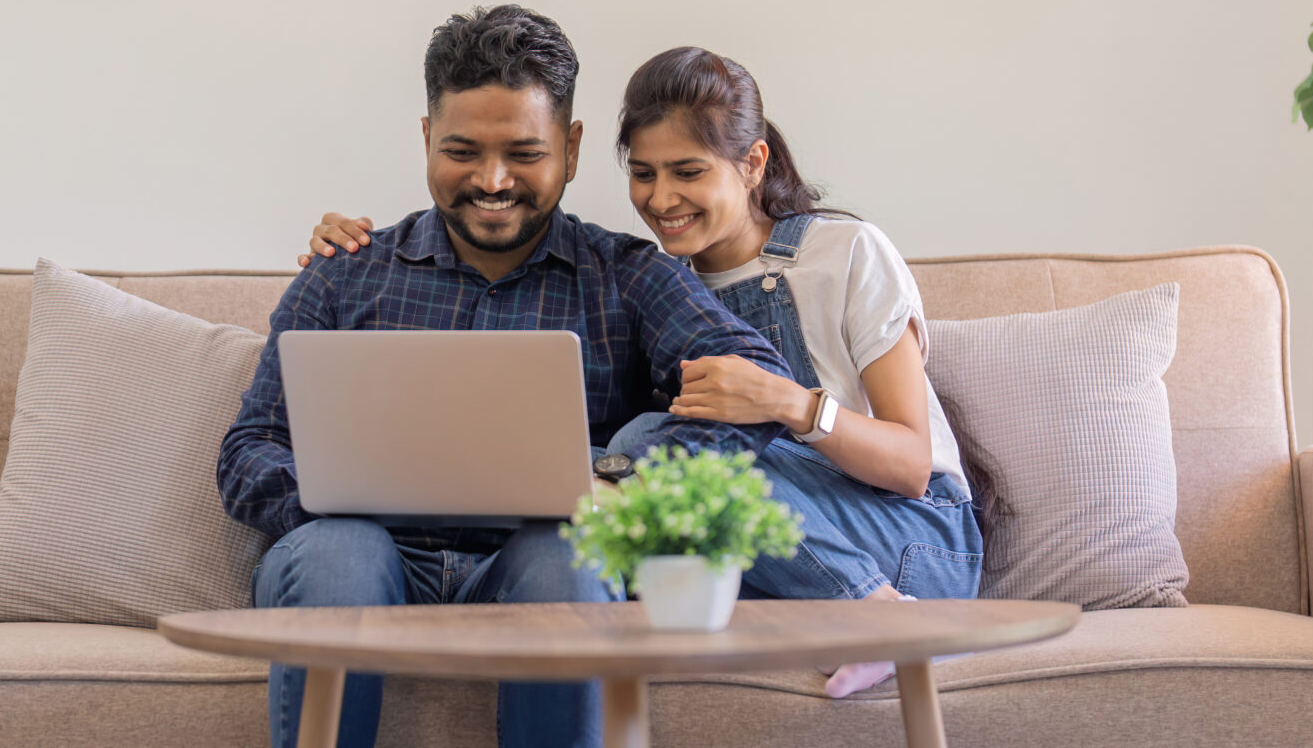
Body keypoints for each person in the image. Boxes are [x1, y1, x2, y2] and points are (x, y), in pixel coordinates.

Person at [304, 46, 988, 698]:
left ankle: (875, 612)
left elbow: (909, 465)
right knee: (608, 483)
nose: (662, 199)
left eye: (688, 172)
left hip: (910, 538)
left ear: (753, 164)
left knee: (637, 451)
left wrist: (788, 402)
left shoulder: (843, 254)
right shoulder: (660, 284)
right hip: (760, 551)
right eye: (643, 172)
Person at [220, 9, 795, 748]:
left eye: (524, 153)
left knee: (565, 558)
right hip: (363, 558)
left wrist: (617, 480)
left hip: (532, 561)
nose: (492, 182)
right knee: (340, 554)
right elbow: (248, 449)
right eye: (463, 151)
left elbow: (758, 383)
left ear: (573, 147)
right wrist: (337, 495)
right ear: (427, 140)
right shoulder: (345, 276)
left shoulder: (626, 277)